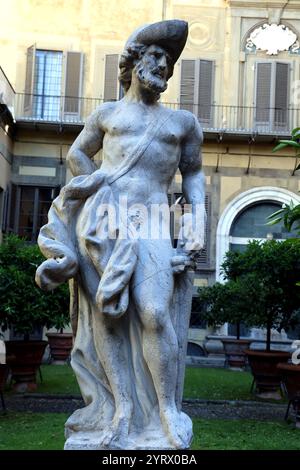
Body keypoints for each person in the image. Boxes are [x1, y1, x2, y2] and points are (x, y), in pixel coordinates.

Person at [36, 19, 206, 450]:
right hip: (103, 222)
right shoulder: (107, 115)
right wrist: (93, 182)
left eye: (168, 62)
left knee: (154, 313)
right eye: (155, 57)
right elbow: (77, 151)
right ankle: (122, 408)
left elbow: (194, 173)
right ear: (132, 63)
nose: (163, 67)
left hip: (150, 222)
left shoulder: (182, 123)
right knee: (106, 315)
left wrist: (195, 220)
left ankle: (166, 409)